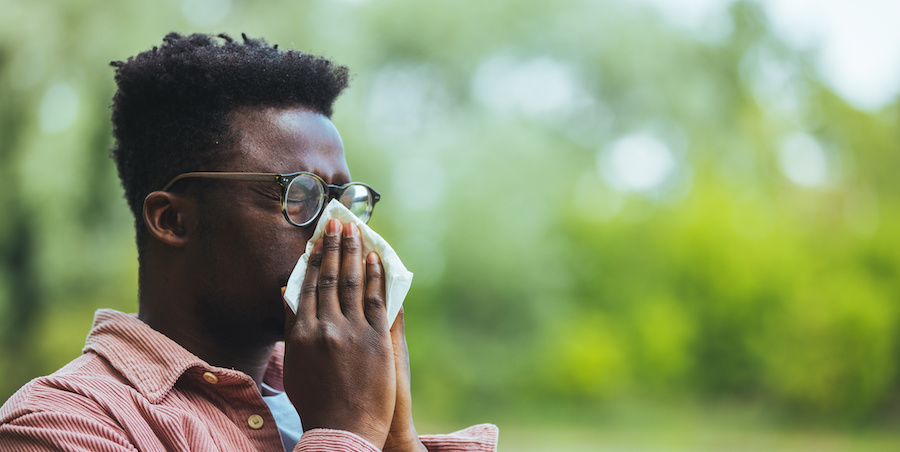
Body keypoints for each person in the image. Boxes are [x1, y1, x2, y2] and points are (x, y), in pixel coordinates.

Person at [0, 32, 498, 451]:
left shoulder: (323, 392)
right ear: (173, 219)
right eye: (299, 194)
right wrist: (344, 430)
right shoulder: (62, 422)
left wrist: (396, 437)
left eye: (346, 199)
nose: (339, 228)